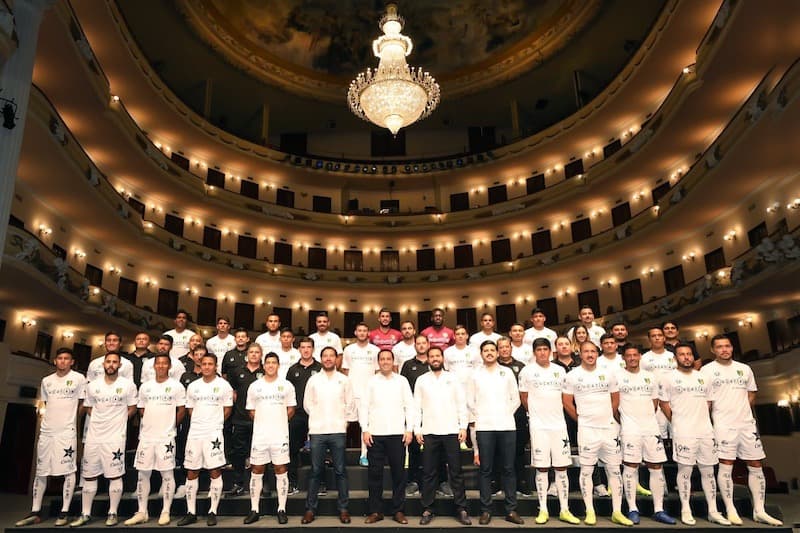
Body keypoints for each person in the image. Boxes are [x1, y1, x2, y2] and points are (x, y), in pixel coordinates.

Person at [703, 334, 783, 526]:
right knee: (726, 466)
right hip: (723, 425)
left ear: (732, 348)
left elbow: (751, 392)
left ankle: (760, 510)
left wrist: (742, 411)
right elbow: (706, 402)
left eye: (727, 346)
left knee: (756, 465)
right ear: (713, 350)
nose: (724, 349)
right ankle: (730, 510)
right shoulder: (707, 371)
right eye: (720, 347)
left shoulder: (744, 369)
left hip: (747, 425)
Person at [562, 341, 632, 526]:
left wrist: (607, 416)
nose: (590, 354)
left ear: (597, 353)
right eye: (586, 351)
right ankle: (590, 511)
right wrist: (581, 419)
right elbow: (567, 401)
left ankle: (617, 511)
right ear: (580, 354)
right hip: (587, 430)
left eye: (593, 351)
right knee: (586, 470)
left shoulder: (608, 374)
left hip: (609, 428)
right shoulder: (572, 376)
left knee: (615, 470)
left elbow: (615, 398)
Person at [659, 344, 729, 526]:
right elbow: (664, 404)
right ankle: (685, 509)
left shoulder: (703, 378)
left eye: (689, 354)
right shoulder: (668, 378)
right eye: (682, 355)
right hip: (683, 432)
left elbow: (708, 403)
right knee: (685, 471)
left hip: (705, 431)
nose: (686, 357)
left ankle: (713, 510)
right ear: (676, 358)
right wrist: (677, 422)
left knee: (708, 472)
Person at [16, 348, 87, 527]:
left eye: (66, 359)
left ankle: (64, 511)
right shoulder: (46, 381)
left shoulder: (79, 379)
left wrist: (71, 421)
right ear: (55, 361)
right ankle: (35, 511)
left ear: (72, 362)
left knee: (68, 470)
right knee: (41, 471)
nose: (63, 361)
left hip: (66, 432)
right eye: (60, 358)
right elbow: (47, 404)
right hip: (47, 431)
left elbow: (82, 403)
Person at [70, 351, 138, 527]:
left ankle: (112, 512)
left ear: (120, 365)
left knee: (115, 475)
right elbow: (89, 407)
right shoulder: (92, 385)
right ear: (103, 364)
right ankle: (85, 513)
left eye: (115, 362)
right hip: (94, 436)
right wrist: (101, 419)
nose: (111, 365)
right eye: (108, 361)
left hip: (115, 437)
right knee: (89, 475)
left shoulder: (128, 385)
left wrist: (120, 420)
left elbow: (132, 408)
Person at [518, 339, 580, 525]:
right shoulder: (527, 371)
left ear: (551, 351)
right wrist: (536, 415)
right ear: (534, 352)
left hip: (559, 426)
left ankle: (564, 509)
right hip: (539, 427)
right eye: (539, 350)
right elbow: (524, 398)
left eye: (546, 349)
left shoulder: (559, 371)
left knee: (561, 469)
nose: (543, 352)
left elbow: (566, 398)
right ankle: (543, 509)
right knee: (542, 468)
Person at [125, 354, 186, 526]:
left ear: (169, 366)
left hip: (166, 437)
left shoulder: (176, 386)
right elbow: (141, 409)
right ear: (154, 366)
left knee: (167, 474)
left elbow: (181, 410)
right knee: (142, 474)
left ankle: (165, 511)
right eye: (158, 363)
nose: (160, 366)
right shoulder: (146, 387)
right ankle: (142, 511)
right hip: (146, 437)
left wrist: (170, 425)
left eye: (164, 363)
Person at [616, 344, 675, 525]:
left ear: (639, 356)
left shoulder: (650, 377)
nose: (632, 358)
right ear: (624, 358)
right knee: (630, 467)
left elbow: (655, 403)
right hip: (629, 429)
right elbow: (614, 405)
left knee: (656, 467)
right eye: (629, 355)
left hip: (650, 428)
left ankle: (659, 509)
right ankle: (632, 508)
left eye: (635, 354)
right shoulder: (617, 377)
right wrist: (626, 422)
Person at [467, 340, 523, 525]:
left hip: (506, 425)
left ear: (498, 353)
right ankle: (486, 510)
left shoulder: (506, 372)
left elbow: (515, 398)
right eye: (486, 350)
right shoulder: (475, 374)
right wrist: (482, 415)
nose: (490, 353)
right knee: (485, 470)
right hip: (484, 427)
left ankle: (511, 510)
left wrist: (505, 414)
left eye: (493, 350)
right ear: (481, 354)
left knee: (508, 468)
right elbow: (470, 401)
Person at [414, 346, 471, 526]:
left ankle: (461, 508)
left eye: (438, 355)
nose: (435, 358)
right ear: (428, 359)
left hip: (452, 431)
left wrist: (463, 426)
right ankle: (428, 508)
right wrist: (417, 429)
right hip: (430, 431)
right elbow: (416, 407)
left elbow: (462, 403)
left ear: (442, 358)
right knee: (429, 472)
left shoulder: (453, 378)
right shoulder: (422, 380)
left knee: (456, 472)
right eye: (432, 356)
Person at [360, 349, 415, 525]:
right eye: (382, 359)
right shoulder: (371, 382)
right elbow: (364, 406)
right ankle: (376, 511)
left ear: (393, 361)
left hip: (398, 434)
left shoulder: (402, 381)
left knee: (399, 474)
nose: (385, 362)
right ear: (378, 362)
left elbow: (410, 406)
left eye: (388, 359)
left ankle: (398, 510)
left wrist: (409, 429)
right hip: (375, 434)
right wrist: (365, 429)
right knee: (374, 474)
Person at [301, 346, 355, 525]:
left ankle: (344, 509)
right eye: (325, 356)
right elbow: (307, 404)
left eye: (332, 356)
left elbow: (350, 403)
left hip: (338, 429)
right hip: (317, 430)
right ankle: (310, 509)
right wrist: (318, 416)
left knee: (341, 471)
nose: (329, 359)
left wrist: (344, 421)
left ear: (336, 359)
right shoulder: (314, 380)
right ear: (321, 358)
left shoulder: (344, 380)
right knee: (316, 471)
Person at [178, 353, 233, 526]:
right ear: (200, 366)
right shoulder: (193, 386)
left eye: (210, 364)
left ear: (215, 366)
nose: (207, 367)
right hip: (195, 434)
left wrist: (215, 424)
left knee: (215, 471)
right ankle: (191, 512)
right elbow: (190, 409)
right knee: (191, 471)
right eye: (204, 364)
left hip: (213, 434)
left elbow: (227, 409)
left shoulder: (223, 385)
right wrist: (200, 424)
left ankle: (212, 511)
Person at [244, 351, 296, 524]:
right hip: (260, 436)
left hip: (279, 435)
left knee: (281, 470)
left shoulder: (286, 385)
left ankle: (281, 509)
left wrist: (277, 422)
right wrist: (264, 422)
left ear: (278, 365)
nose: (271, 365)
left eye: (274, 362)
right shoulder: (255, 386)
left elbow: (290, 409)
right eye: (268, 363)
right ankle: (254, 509)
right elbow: (251, 410)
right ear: (264, 365)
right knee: (257, 470)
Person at [226, 344, 264, 496]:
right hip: (240, 418)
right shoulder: (237, 372)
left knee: (261, 453)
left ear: (261, 355)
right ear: (247, 355)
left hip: (260, 420)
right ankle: (238, 483)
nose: (254, 355)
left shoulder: (265, 372)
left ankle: (263, 485)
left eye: (257, 352)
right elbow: (233, 393)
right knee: (239, 453)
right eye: (252, 352)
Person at [286, 338, 322, 495]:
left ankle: (321, 484)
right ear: (298, 349)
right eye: (303, 347)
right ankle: (292, 483)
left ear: (313, 349)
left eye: (309, 347)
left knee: (319, 450)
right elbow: (287, 393)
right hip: (297, 415)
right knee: (292, 449)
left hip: (318, 414)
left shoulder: (321, 368)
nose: (306, 350)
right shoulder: (292, 369)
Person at [496, 337, 531, 497]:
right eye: (501, 347)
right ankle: (497, 483)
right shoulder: (492, 367)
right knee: (497, 450)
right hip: (497, 414)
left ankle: (521, 483)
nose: (504, 349)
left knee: (518, 450)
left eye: (506, 347)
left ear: (511, 348)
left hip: (518, 414)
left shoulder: (521, 367)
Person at [341, 322, 379, 466]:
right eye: (359, 330)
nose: (362, 333)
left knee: (366, 425)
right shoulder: (349, 350)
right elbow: (345, 370)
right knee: (345, 423)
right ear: (355, 333)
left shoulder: (375, 350)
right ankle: (339, 454)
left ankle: (364, 455)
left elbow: (377, 371)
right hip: (352, 393)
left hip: (368, 394)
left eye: (365, 331)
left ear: (368, 333)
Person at [400, 335, 431, 496]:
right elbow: (402, 387)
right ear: (415, 346)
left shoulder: (434, 362)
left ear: (428, 344)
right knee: (414, 449)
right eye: (418, 343)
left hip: (433, 411)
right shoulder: (408, 365)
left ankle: (441, 482)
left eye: (423, 343)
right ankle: (413, 481)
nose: (421, 346)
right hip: (413, 410)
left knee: (434, 448)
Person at [642, 327, 677, 443]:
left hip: (673, 397)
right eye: (653, 336)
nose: (657, 338)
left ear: (664, 338)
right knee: (658, 429)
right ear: (649, 339)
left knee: (675, 427)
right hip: (654, 398)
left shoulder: (673, 356)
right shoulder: (644, 358)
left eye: (659, 335)